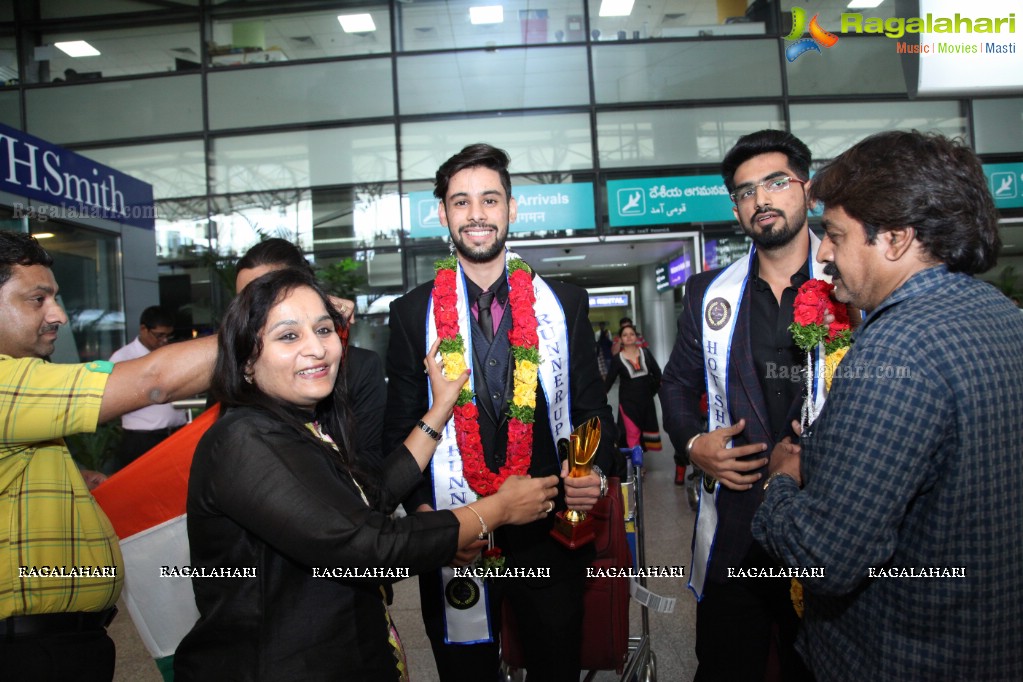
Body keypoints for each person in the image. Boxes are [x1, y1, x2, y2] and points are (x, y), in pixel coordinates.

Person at [174, 268, 558, 681]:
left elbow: (369, 497)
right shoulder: (245, 440)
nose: (316, 349)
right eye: (289, 336)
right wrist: (494, 511)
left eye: (323, 330)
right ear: (247, 359)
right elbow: (366, 546)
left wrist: (439, 409)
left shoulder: (295, 425)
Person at [752, 131, 1023, 680]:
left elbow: (825, 558)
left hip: (901, 654)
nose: (823, 253)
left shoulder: (897, 348)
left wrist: (781, 481)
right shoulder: (1001, 314)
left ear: (896, 239)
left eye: (835, 235)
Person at [384, 143, 621, 681]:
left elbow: (590, 408)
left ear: (512, 209)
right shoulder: (410, 313)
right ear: (443, 214)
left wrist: (594, 471)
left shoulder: (563, 303)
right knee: (464, 669)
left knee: (555, 661)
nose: (477, 214)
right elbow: (398, 428)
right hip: (455, 529)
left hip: (548, 524)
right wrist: (425, 518)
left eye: (490, 200)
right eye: (461, 202)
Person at [0, 230, 216, 681]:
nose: (57, 315)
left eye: (54, 298)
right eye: (37, 300)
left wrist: (75, 478)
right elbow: (154, 381)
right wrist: (275, 327)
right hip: (28, 651)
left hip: (59, 641)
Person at [660, 129, 820, 681]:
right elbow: (676, 385)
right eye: (746, 192)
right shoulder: (710, 292)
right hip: (736, 523)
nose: (762, 200)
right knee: (728, 664)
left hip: (828, 518)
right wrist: (692, 444)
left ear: (808, 189)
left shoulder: (849, 280)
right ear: (736, 206)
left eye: (777, 183)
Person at [234, 238, 386, 465]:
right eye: (246, 300)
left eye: (324, 329)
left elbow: (372, 471)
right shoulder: (238, 432)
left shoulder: (358, 369)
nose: (315, 350)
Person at [108, 306, 188, 471]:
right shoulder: (124, 358)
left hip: (176, 433)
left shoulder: (170, 353)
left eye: (168, 336)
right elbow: (117, 398)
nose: (164, 341)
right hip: (143, 439)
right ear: (143, 329)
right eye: (159, 335)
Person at [604, 323, 662, 453]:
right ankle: (637, 468)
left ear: (636, 337)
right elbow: (609, 381)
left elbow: (658, 374)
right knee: (632, 434)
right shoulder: (618, 359)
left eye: (632, 334)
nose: (629, 337)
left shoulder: (645, 353)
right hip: (628, 404)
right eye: (625, 335)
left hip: (647, 403)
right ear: (620, 339)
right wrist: (599, 398)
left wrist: (651, 391)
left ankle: (637, 462)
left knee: (642, 433)